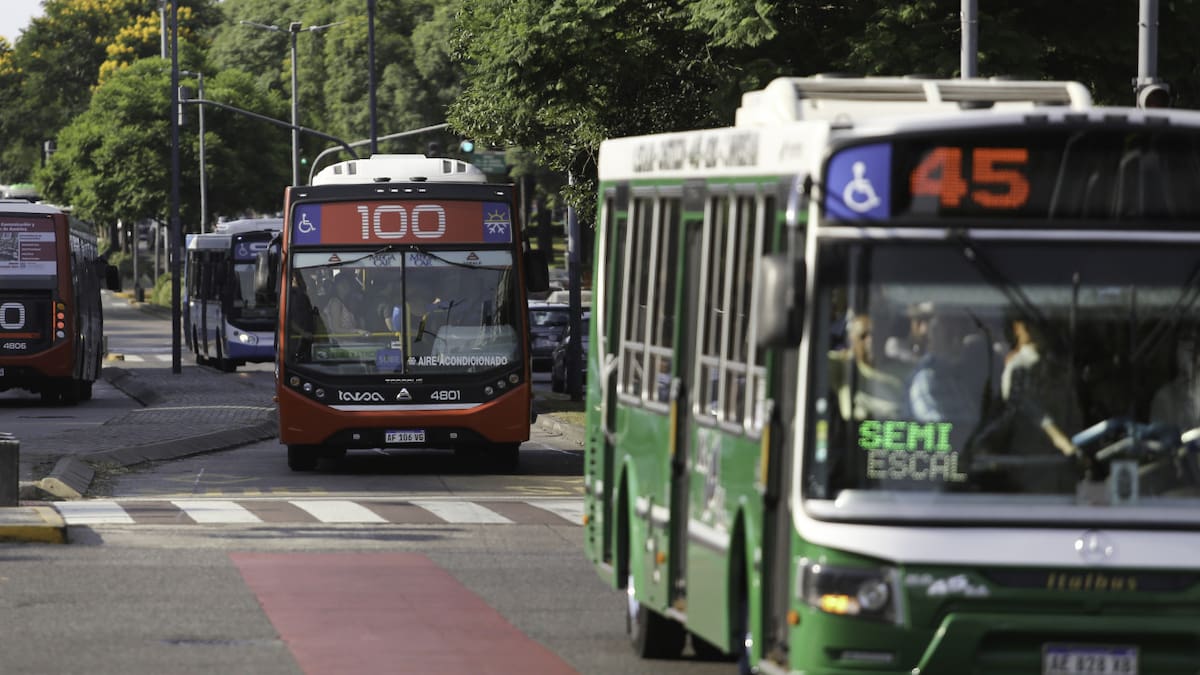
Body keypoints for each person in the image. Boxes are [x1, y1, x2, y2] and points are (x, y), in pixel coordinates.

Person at [907, 308, 987, 422]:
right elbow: (938, 426)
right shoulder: (926, 378)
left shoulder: (954, 377)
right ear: (932, 339)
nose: (958, 341)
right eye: (949, 335)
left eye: (961, 334)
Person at [830, 314, 904, 420]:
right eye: (863, 336)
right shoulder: (844, 367)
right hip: (855, 428)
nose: (870, 340)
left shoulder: (901, 369)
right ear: (852, 341)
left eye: (874, 335)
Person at [1151, 328, 1200, 431]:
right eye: (1185, 340)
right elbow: (1160, 436)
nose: (1192, 351)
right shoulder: (1164, 398)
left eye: (1197, 345)